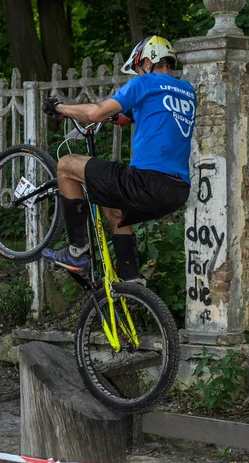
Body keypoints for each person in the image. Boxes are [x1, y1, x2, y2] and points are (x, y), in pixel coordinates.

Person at [41, 35, 196, 283]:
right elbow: (135, 115)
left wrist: (60, 108)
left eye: (137, 68)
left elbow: (94, 112)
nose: (137, 74)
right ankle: (132, 281)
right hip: (176, 191)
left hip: (146, 181)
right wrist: (115, 117)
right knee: (115, 210)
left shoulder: (144, 83)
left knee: (66, 165)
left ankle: (76, 252)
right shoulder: (187, 92)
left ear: (147, 62)